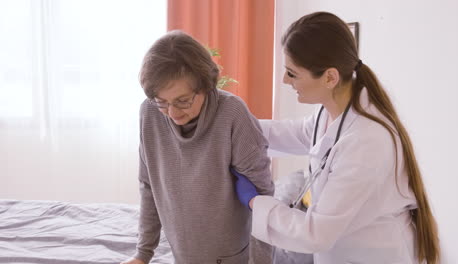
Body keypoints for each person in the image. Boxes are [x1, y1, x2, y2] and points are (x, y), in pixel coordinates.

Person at [231, 12, 440, 264]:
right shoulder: (331, 113)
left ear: (330, 77)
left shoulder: (367, 141)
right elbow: (292, 133)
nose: (285, 80)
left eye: (292, 73)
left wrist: (255, 202)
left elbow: (315, 234)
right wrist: (233, 126)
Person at [121, 30, 274, 264]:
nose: (172, 113)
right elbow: (149, 185)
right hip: (181, 252)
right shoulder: (150, 113)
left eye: (183, 101)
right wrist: (143, 255)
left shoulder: (232, 114)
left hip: (229, 255)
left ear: (205, 85)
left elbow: (263, 199)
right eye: (162, 102)